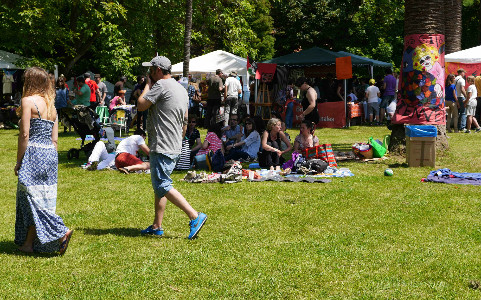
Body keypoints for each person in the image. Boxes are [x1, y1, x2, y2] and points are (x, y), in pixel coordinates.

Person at [137, 55, 207, 239]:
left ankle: (194, 216)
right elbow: (185, 119)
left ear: (158, 70)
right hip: (175, 143)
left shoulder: (159, 85)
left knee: (162, 184)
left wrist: (148, 84)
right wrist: (180, 137)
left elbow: (141, 105)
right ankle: (156, 226)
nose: (149, 73)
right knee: (160, 185)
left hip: (162, 143)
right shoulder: (181, 88)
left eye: (151, 70)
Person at [14, 67, 73, 254]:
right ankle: (29, 244)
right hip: (49, 154)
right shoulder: (51, 105)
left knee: (31, 199)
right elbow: (55, 139)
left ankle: (61, 231)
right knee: (40, 199)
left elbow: (24, 134)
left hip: (34, 152)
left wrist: (19, 161)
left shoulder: (27, 101)